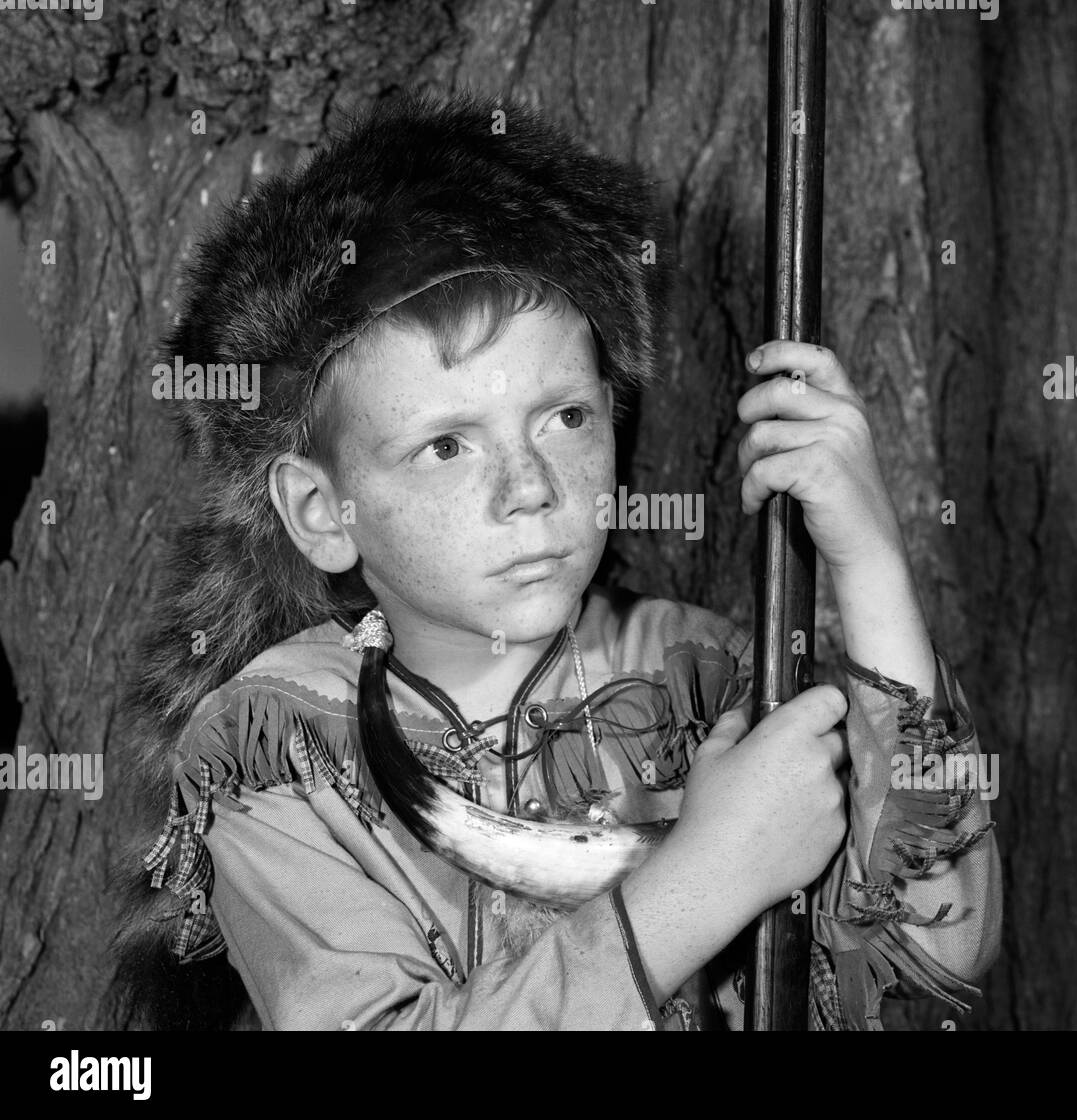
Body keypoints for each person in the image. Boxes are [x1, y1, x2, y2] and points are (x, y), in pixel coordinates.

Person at [114, 88, 1001, 1031]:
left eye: (566, 417)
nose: (529, 485)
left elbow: (923, 966)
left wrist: (868, 564)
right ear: (322, 512)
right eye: (446, 445)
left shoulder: (700, 681)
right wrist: (708, 877)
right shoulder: (276, 750)